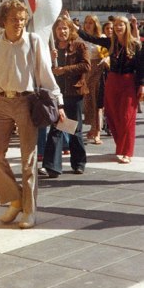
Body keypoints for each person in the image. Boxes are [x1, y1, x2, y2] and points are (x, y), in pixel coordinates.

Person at [0, 0, 64, 230]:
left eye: (22, 19)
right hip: (0, 102)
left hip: (26, 101)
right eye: (14, 19)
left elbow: (45, 73)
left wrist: (58, 102)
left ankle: (29, 211)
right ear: (3, 21)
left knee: (28, 159)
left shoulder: (34, 41)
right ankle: (15, 198)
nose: (19, 23)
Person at [78, 15, 144, 164]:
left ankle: (127, 151)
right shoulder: (110, 42)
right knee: (112, 116)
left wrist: (142, 85)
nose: (118, 28)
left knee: (127, 117)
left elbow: (141, 68)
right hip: (112, 81)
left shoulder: (136, 45)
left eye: (121, 25)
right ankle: (120, 146)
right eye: (116, 25)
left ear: (126, 27)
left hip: (128, 82)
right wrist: (76, 29)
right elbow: (91, 38)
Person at [40, 18, 90, 178]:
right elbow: (42, 67)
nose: (62, 32)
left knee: (73, 129)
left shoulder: (79, 45)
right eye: (59, 29)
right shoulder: (51, 47)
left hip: (73, 94)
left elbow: (86, 65)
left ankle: (79, 163)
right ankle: (52, 166)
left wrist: (65, 70)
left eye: (65, 29)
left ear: (70, 30)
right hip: (56, 94)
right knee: (57, 128)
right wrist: (49, 56)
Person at [79, 15, 108, 145]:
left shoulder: (101, 38)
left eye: (91, 23)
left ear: (96, 24)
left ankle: (97, 132)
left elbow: (108, 54)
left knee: (97, 101)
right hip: (85, 70)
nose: (88, 25)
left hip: (98, 69)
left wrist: (106, 59)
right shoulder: (80, 38)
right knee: (88, 101)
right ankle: (92, 127)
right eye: (86, 22)